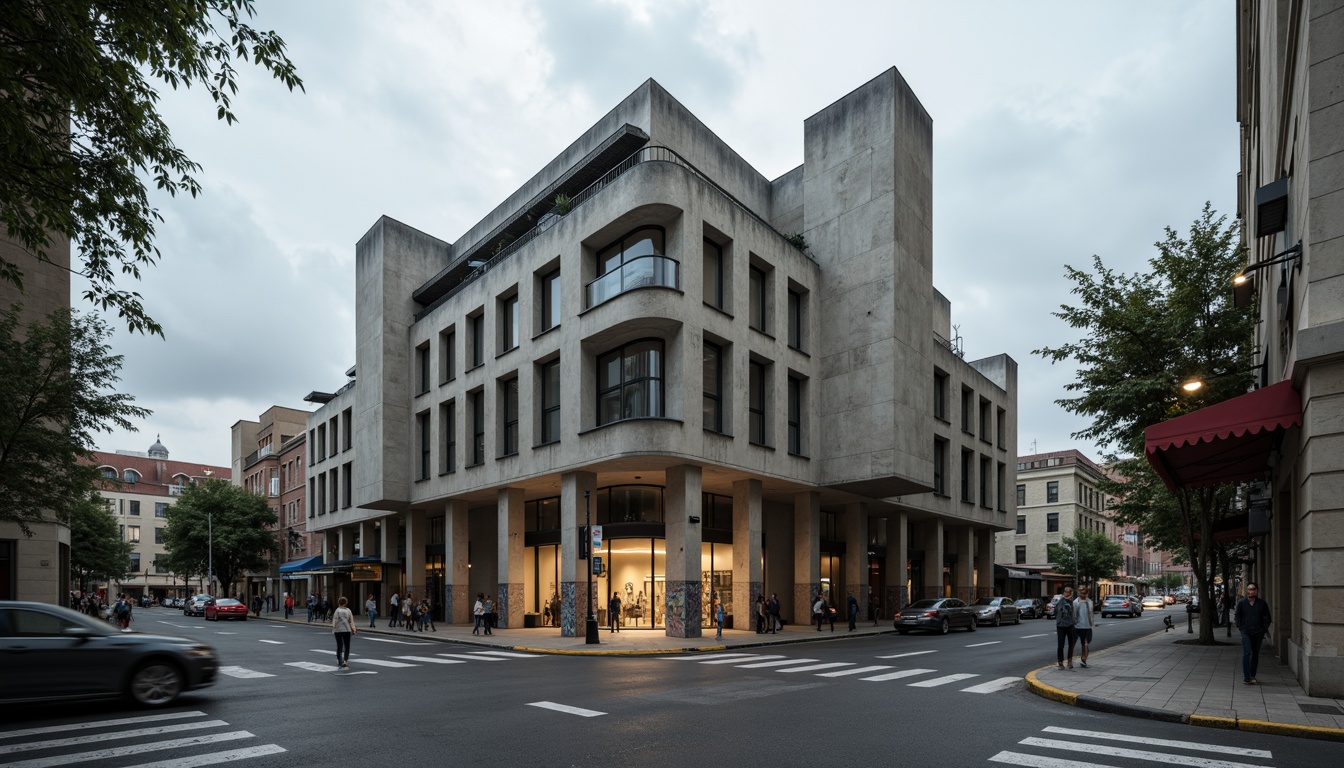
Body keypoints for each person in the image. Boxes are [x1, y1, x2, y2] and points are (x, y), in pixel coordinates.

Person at [1234, 582, 1272, 685]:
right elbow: (1237, 616)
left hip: (1258, 633)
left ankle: (1252, 675)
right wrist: (1240, 627)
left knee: (1255, 654)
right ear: (1246, 591)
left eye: (1253, 589)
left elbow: (1267, 618)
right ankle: (1247, 677)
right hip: (1246, 631)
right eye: (1249, 589)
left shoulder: (1262, 604)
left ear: (1256, 591)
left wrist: (1263, 629)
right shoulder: (1242, 603)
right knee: (1247, 653)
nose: (1251, 591)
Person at [1072, 585, 1095, 669]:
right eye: (1080, 591)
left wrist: (1092, 624)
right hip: (1077, 626)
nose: (1082, 593)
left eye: (1083, 591)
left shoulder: (1089, 602)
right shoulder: (1075, 602)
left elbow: (1091, 614)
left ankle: (1083, 660)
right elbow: (1073, 614)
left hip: (1087, 626)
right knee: (1073, 644)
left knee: (1085, 644)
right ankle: (1070, 661)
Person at [1055, 587, 1076, 669]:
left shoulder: (1073, 602)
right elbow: (1056, 611)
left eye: (1068, 592)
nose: (1066, 593)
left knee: (1071, 644)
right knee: (1060, 644)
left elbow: (1074, 613)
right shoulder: (1060, 601)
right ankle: (1060, 662)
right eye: (1065, 592)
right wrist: (1059, 619)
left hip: (1070, 625)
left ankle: (1069, 661)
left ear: (1071, 593)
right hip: (1060, 625)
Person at [332, 596, 356, 669]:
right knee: (347, 646)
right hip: (347, 630)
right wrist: (353, 628)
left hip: (338, 630)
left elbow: (335, 621)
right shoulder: (348, 610)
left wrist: (333, 629)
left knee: (339, 646)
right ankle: (345, 660)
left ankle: (339, 660)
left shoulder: (337, 610)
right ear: (346, 603)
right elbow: (351, 621)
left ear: (339, 602)